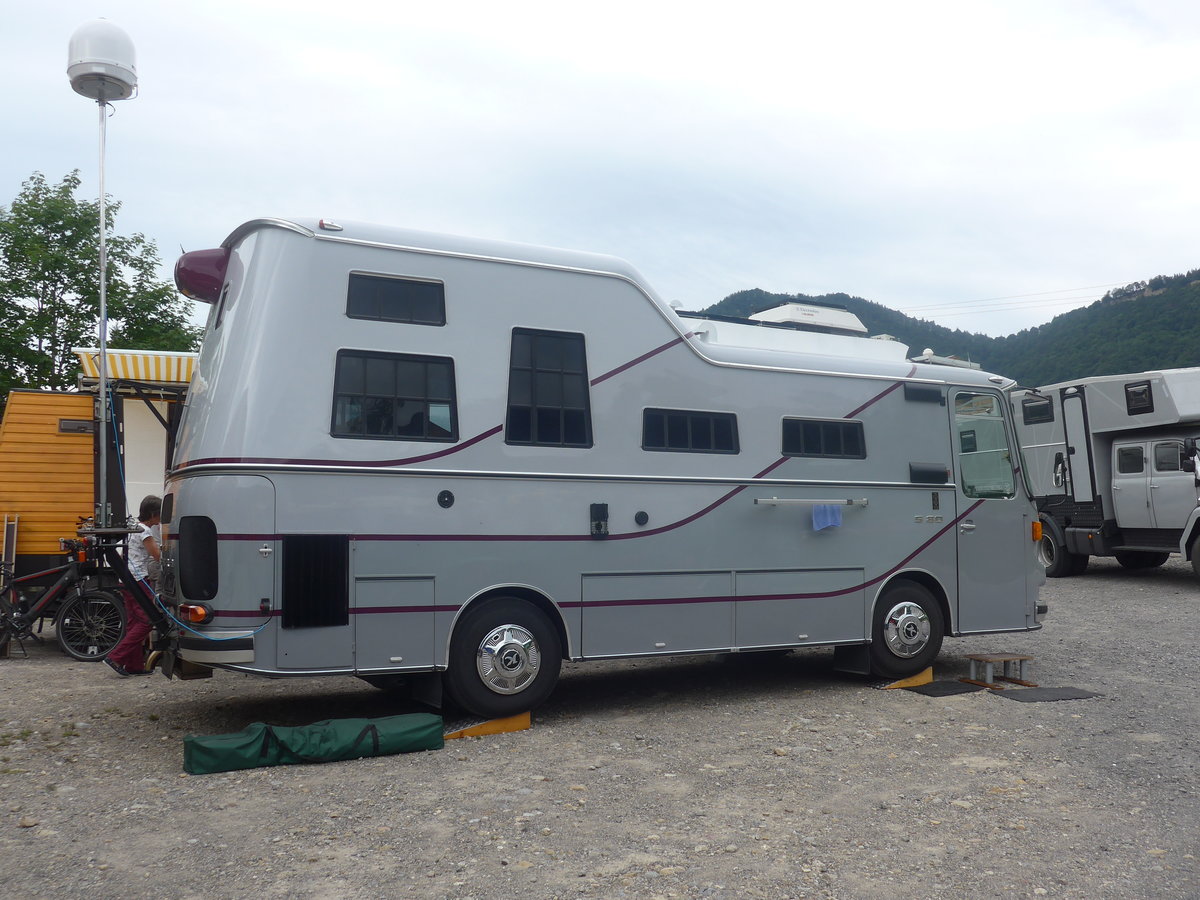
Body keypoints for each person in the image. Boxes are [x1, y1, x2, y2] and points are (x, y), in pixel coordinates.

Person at [103, 495, 161, 677]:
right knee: (147, 621)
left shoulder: (132, 529)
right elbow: (156, 555)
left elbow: (122, 555)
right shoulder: (145, 531)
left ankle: (134, 665)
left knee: (134, 622)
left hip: (127, 578)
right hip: (139, 579)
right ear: (153, 514)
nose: (160, 519)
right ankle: (115, 657)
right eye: (160, 514)